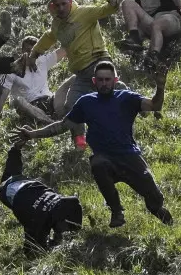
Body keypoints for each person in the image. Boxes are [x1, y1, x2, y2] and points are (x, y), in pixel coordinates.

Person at [16, 62, 172, 229]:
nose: (104, 83)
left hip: (129, 156)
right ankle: (116, 211)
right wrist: (32, 134)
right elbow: (62, 125)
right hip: (105, 158)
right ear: (94, 81)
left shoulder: (127, 98)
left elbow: (155, 105)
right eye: (100, 80)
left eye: (107, 79)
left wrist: (160, 87)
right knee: (97, 163)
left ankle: (159, 212)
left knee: (154, 198)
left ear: (115, 80)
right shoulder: (86, 102)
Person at [29, 0, 120, 116]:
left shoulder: (84, 12)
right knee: (71, 108)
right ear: (52, 6)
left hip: (98, 63)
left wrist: (114, 2)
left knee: (114, 100)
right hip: (81, 74)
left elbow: (105, 10)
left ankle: (134, 108)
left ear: (70, 2)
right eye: (57, 5)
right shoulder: (57, 24)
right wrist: (33, 55)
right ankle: (81, 136)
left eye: (64, 4)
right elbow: (49, 37)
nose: (61, 8)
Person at [0, 143, 84, 253]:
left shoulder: (65, 204)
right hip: (16, 193)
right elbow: (31, 249)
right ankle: (15, 150)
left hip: (29, 186)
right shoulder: (38, 221)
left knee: (12, 172)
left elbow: (74, 202)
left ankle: (15, 150)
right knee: (35, 229)